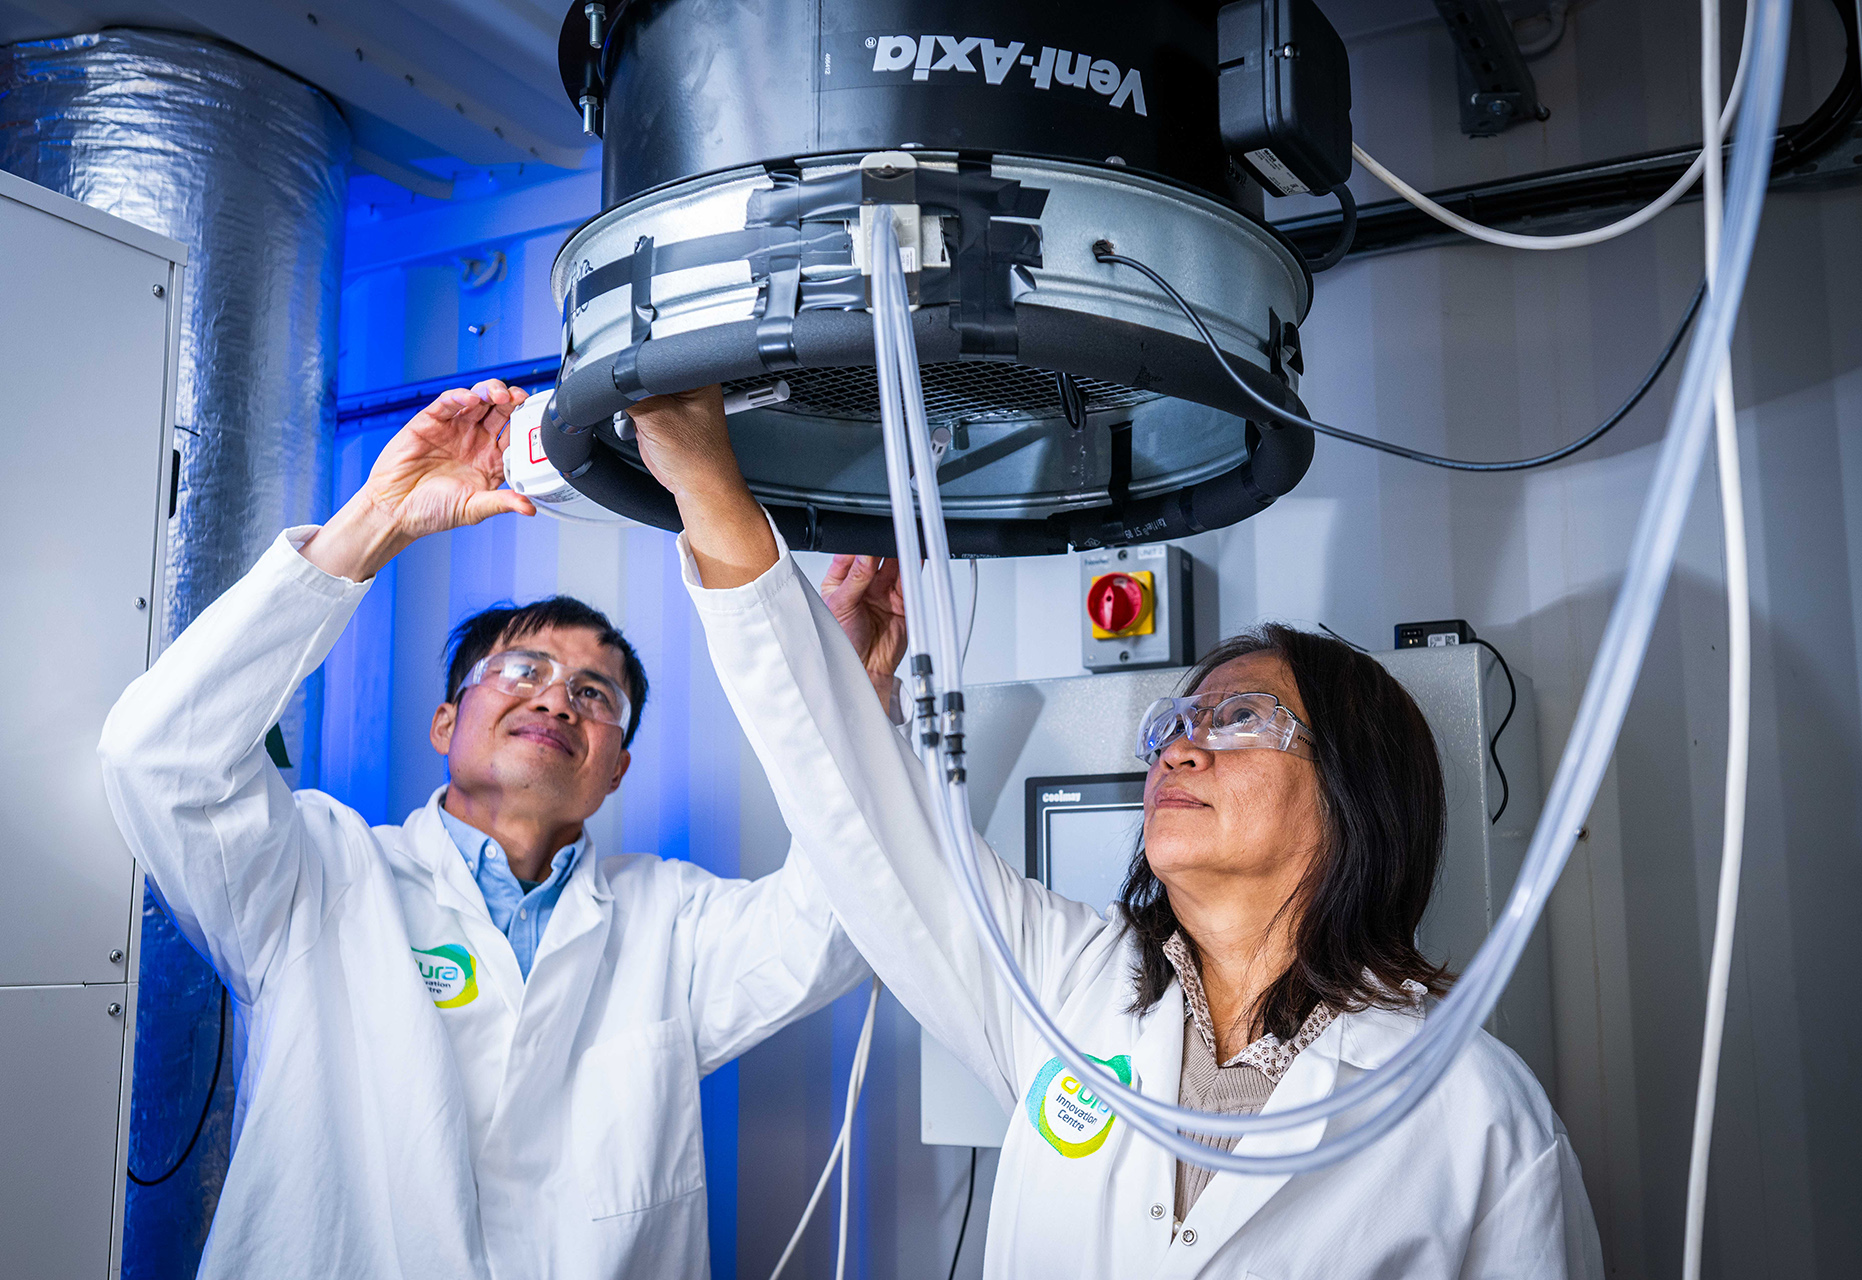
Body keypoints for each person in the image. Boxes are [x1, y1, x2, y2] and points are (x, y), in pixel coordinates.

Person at [626, 386, 1606, 1278]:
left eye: (1236, 720)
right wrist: (709, 486)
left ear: (1360, 794)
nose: (1179, 750)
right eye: (1172, 727)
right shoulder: (1066, 991)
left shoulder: (1476, 1115)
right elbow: (865, 824)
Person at [98, 380, 885, 1280]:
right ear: (445, 724)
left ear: (615, 766)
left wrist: (854, 700)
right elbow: (159, 757)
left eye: (597, 694)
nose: (558, 696)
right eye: (521, 669)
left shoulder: (672, 921)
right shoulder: (316, 875)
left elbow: (848, 913)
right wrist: (379, 520)